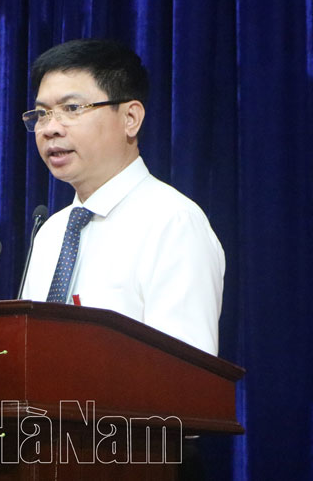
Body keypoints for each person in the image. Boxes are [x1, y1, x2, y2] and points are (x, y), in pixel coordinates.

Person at [20, 38, 224, 356]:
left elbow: (186, 374)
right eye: (43, 114)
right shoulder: (51, 233)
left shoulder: (173, 224)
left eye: (71, 109)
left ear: (130, 118)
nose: (50, 128)